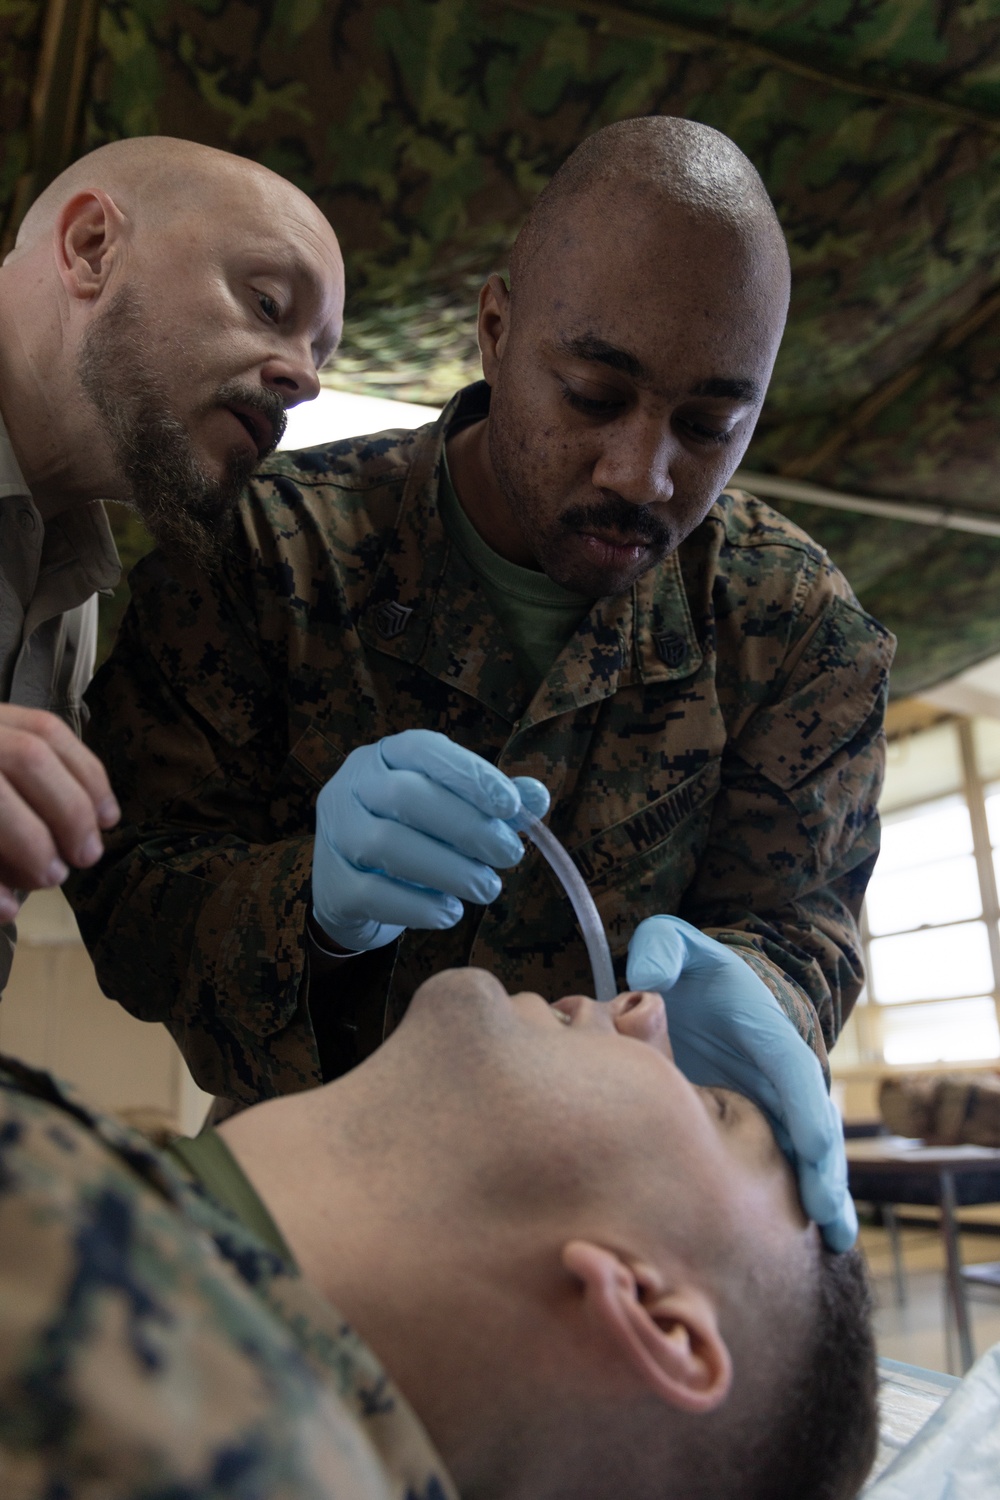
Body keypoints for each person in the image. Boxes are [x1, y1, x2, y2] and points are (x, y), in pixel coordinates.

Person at [69, 116, 892, 1247]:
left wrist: (767, 990)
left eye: (709, 424)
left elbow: (804, 917)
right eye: (595, 395)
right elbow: (128, 897)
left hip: (617, 1224)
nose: (641, 474)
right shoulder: (265, 551)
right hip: (309, 1214)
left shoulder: (789, 625)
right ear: (495, 331)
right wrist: (310, 909)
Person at [0, 965, 878, 1499]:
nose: (648, 1014)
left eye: (711, 1102)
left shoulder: (146, 1434)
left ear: (648, 1305)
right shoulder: (134, 1281)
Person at [0, 135, 344, 991]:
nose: (305, 379)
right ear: (91, 248)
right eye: (269, 303)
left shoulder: (69, 574)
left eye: (322, 354)